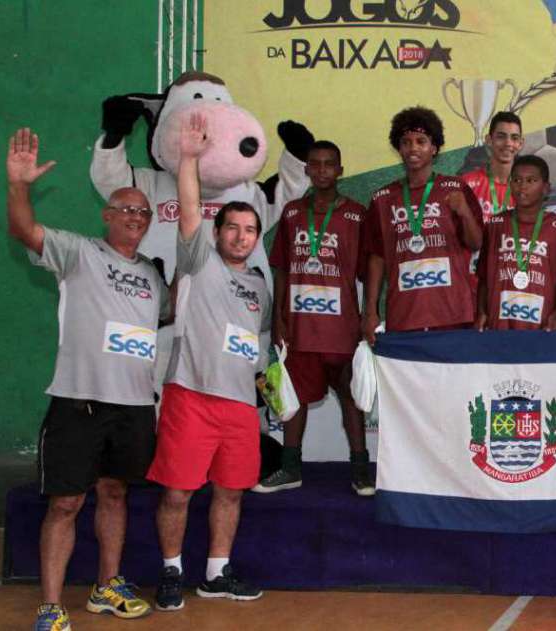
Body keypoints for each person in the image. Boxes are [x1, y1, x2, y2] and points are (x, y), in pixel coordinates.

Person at [9, 128, 166, 629]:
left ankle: (107, 587)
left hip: (134, 407)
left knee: (115, 493)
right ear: (107, 214)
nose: (134, 218)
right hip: (78, 403)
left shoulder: (152, 276)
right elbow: (24, 231)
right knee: (66, 503)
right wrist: (18, 187)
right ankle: (51, 606)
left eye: (142, 212)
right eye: (126, 209)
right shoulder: (78, 253)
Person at [147, 113, 270, 611]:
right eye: (233, 228)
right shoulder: (199, 260)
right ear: (217, 232)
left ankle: (216, 574)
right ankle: (171, 571)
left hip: (239, 408)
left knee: (231, 493)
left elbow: (250, 344)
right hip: (191, 398)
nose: (241, 237)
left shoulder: (261, 286)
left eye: (250, 230)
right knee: (177, 494)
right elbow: (191, 208)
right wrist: (190, 159)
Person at [252, 140, 373, 496]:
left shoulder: (355, 214)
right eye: (315, 164)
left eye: (329, 164)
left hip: (342, 328)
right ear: (306, 169)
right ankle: (291, 468)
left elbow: (369, 272)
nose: (322, 170)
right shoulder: (291, 213)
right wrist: (279, 321)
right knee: (294, 398)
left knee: (351, 399)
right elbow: (282, 273)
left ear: (340, 170)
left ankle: (361, 470)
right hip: (300, 328)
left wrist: (367, 319)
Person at [361, 107, 482, 339]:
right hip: (405, 313)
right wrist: (370, 312)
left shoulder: (455, 188)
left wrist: (465, 211)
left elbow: (476, 243)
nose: (413, 148)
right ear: (399, 148)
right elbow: (376, 258)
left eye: (421, 141)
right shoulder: (382, 199)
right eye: (406, 142)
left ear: (434, 148)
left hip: (453, 312)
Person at [475, 155, 556, 330]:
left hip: (541, 326)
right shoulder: (495, 224)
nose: (522, 186)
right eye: (517, 180)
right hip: (499, 323)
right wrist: (482, 311)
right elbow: (483, 277)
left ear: (546, 188)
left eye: (531, 180)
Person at [460, 111, 522, 221]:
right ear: (489, 140)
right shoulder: (467, 184)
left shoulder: (526, 190)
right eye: (501, 137)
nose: (508, 143)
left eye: (514, 138)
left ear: (520, 144)